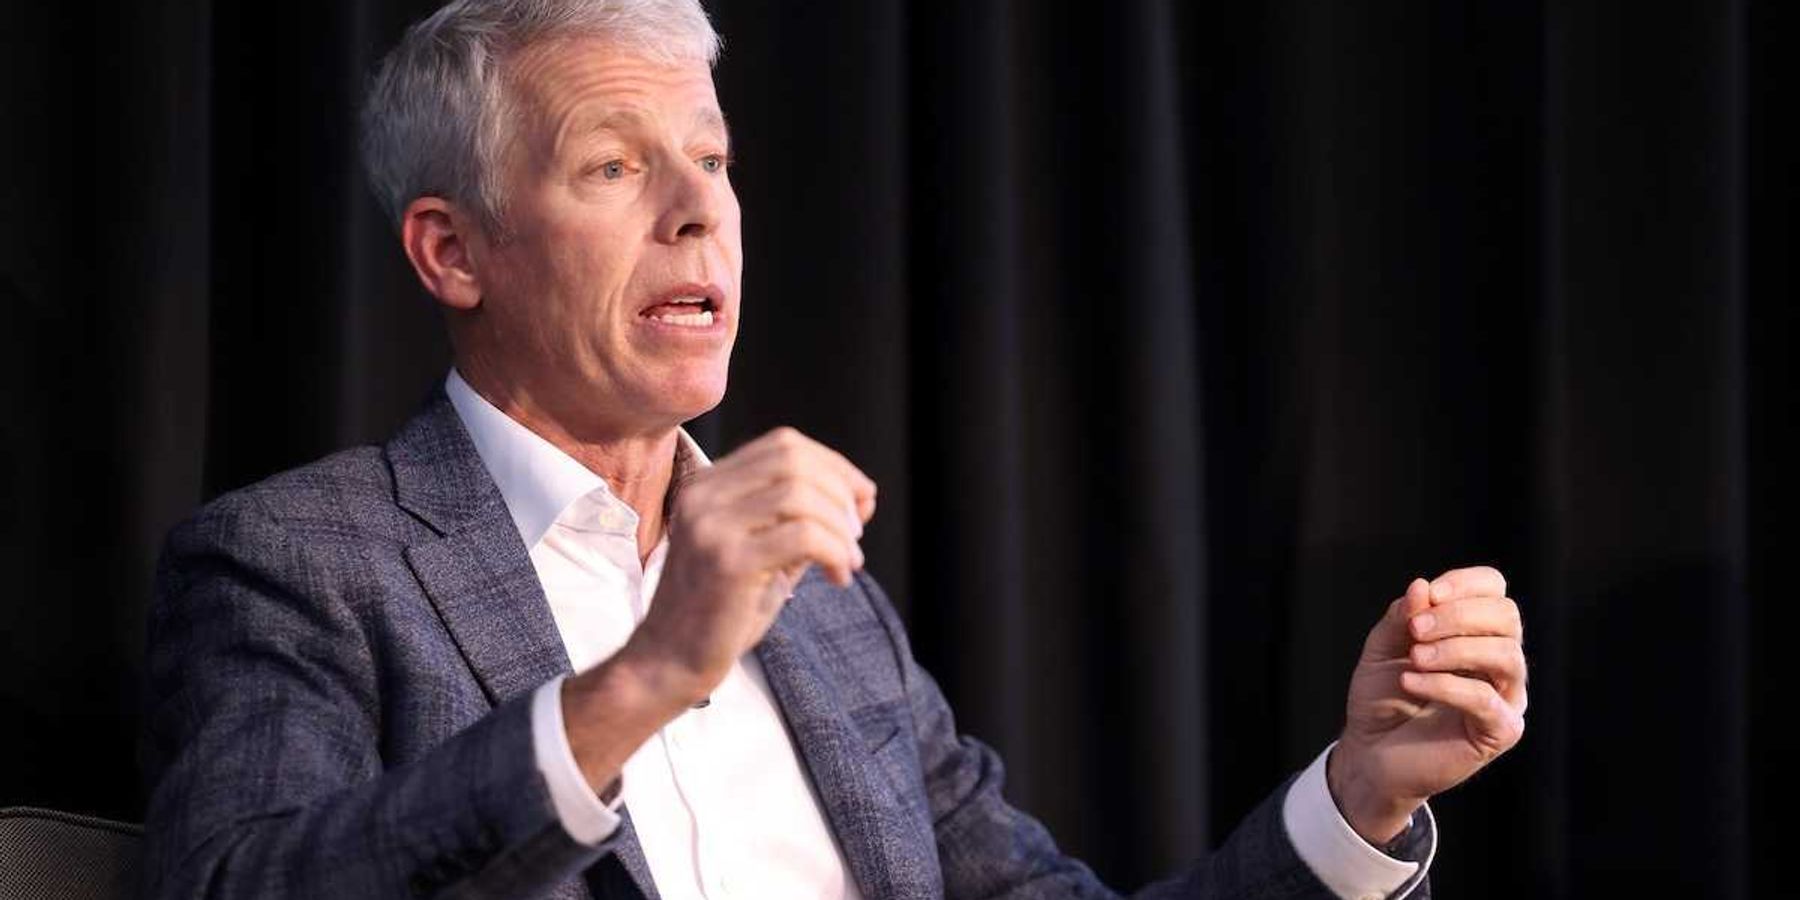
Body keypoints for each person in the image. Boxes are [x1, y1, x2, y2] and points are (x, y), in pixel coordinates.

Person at [140, 1, 1528, 897]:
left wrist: (1358, 798)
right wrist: (648, 678)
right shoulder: (301, 564)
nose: (700, 213)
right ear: (453, 251)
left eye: (715, 159)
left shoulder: (822, 607)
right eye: (615, 167)